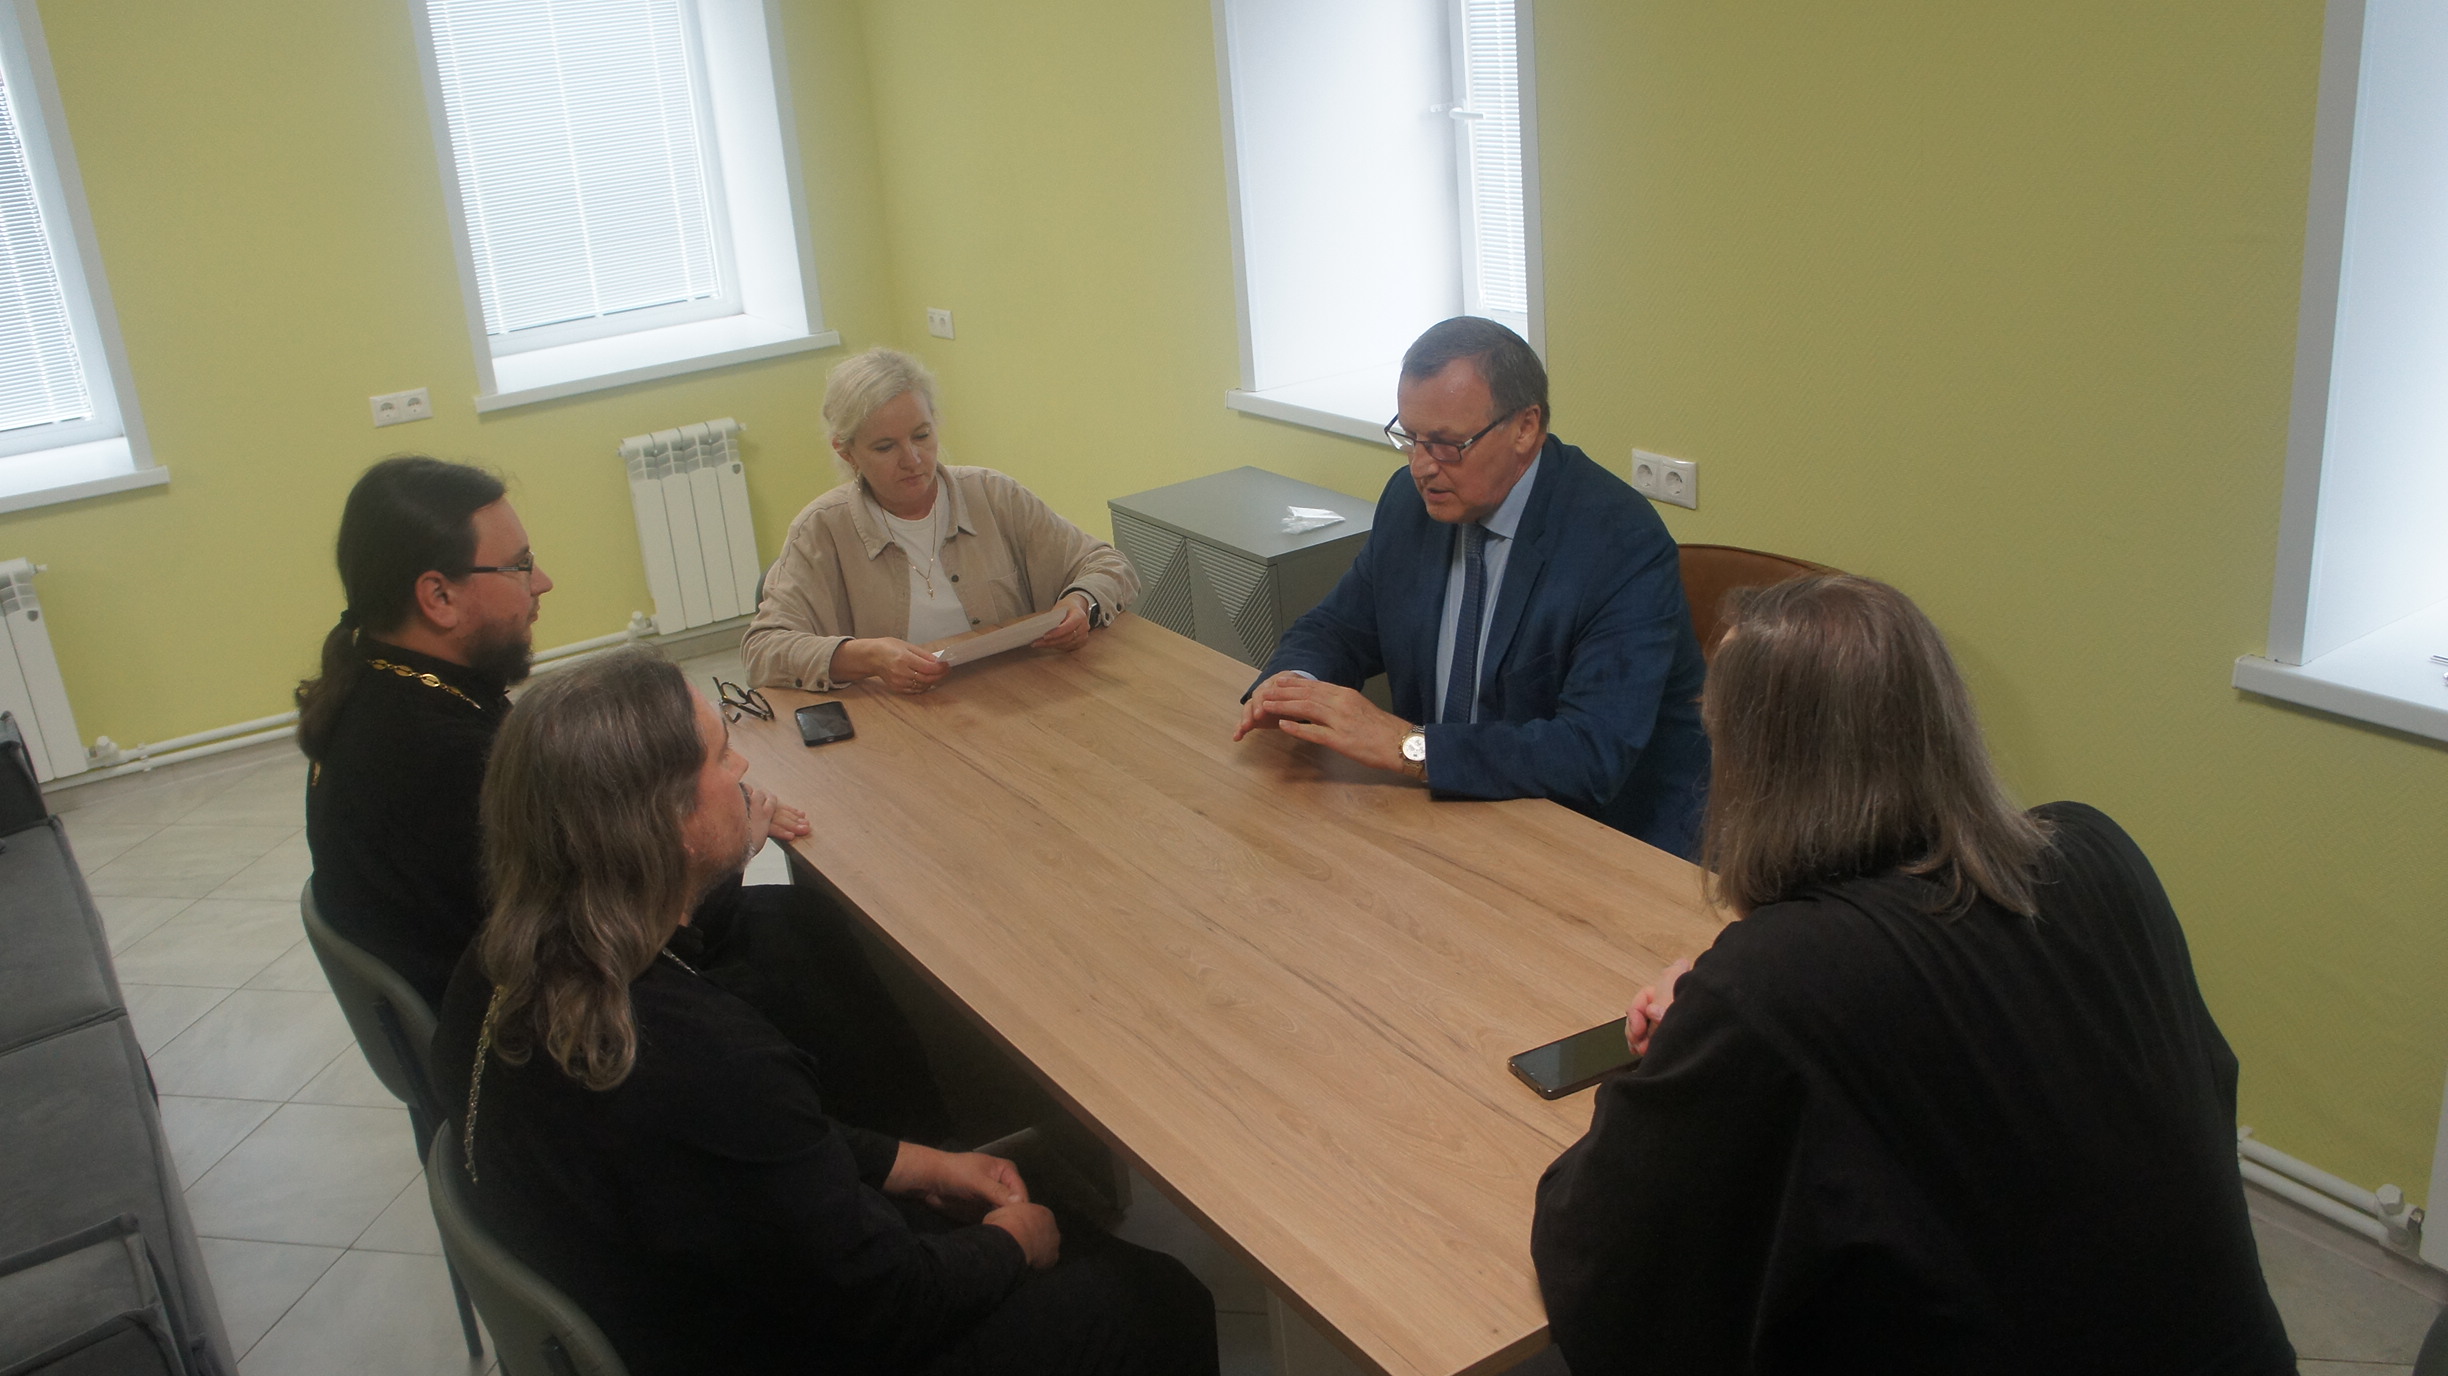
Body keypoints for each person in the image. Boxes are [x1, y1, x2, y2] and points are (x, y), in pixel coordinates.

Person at [1530, 575, 2295, 1375]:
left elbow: (1597, 1257)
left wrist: (1698, 1034)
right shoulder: (2098, 854)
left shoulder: (1775, 983)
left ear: (1756, 767)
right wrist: (1734, 1002)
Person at [431, 648, 1217, 1376]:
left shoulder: (493, 968)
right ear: (666, 821)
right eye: (720, 757)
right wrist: (1011, 1244)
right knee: (1153, 1300)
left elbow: (751, 1151)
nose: (743, 768)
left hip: (664, 1298)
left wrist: (915, 1162)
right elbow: (889, 1305)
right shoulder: (704, 1054)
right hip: (772, 1342)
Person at [298, 456, 948, 1141]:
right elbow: (610, 927)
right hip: (556, 1050)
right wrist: (724, 841)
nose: (542, 583)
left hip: (498, 1003)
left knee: (787, 922)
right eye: (519, 566)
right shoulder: (445, 760)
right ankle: (916, 1149)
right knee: (801, 938)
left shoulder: (377, 694)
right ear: (438, 597)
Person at [1233, 317, 1710, 855]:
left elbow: (1590, 753)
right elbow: (1340, 627)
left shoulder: (1619, 542)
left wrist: (1411, 747)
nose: (1421, 467)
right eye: (1409, 438)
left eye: (1445, 444)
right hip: (1446, 813)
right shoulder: (1410, 502)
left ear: (1525, 428)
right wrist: (1292, 686)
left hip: (1598, 837)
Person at [743, 347, 1140, 695]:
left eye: (921, 435)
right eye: (885, 447)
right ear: (847, 453)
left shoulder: (993, 495)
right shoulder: (821, 529)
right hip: (900, 726)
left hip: (1018, 699)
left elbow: (1108, 564)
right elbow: (762, 650)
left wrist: (1081, 602)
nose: (912, 459)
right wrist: (866, 657)